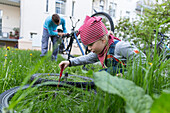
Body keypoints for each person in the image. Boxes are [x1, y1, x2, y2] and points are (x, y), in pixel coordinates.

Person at [59, 16, 146, 75]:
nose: (89, 49)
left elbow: (141, 57)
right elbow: (87, 58)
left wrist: (129, 75)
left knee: (105, 74)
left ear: (103, 40)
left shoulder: (120, 47)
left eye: (91, 45)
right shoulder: (102, 51)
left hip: (131, 76)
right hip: (119, 77)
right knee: (101, 75)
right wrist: (70, 62)